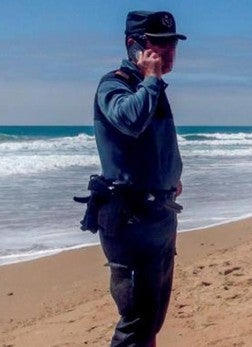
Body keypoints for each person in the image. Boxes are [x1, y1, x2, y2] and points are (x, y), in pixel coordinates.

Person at [92, 10, 186, 346]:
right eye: (157, 45)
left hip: (160, 216)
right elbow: (128, 120)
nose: (166, 51)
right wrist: (149, 79)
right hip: (129, 220)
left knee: (152, 319)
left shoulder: (153, 87)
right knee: (135, 322)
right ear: (133, 46)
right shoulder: (114, 84)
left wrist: (169, 177)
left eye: (171, 44)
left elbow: (155, 143)